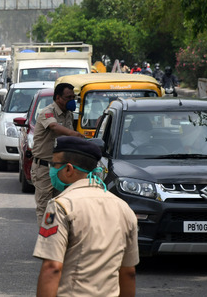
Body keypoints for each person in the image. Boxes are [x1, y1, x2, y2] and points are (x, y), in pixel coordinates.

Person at [34, 136, 139, 297]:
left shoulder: (61, 206)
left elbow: (52, 268)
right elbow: (129, 272)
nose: (51, 170)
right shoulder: (124, 209)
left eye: (54, 165)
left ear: (68, 169)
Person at [30, 83, 84, 225]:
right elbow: (54, 126)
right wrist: (74, 134)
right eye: (68, 97)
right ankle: (46, 240)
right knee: (44, 207)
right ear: (58, 98)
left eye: (74, 97)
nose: (72, 100)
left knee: (60, 206)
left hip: (61, 168)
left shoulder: (69, 114)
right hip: (44, 168)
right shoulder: (47, 112)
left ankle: (57, 237)